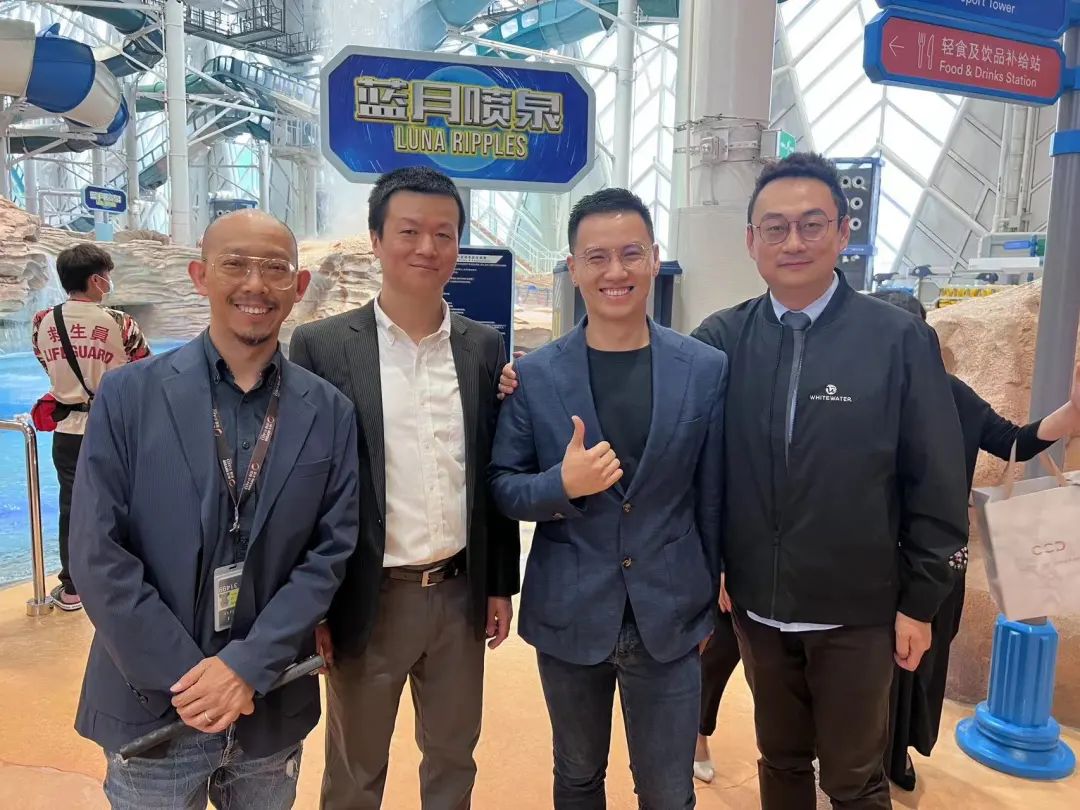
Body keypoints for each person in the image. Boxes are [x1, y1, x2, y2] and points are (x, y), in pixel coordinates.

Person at [499, 153, 968, 809]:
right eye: (775, 227)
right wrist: (555, 472)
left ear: (843, 231)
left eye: (811, 224)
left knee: (854, 779)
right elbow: (696, 471)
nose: (793, 241)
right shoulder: (723, 340)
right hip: (751, 609)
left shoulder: (891, 341)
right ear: (751, 241)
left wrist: (921, 598)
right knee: (775, 760)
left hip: (854, 605)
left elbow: (937, 479)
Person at [69, 210, 360, 809]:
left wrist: (246, 667)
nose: (255, 284)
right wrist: (194, 680)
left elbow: (329, 553)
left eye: (275, 269)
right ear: (201, 275)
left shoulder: (328, 411)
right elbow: (98, 552)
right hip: (153, 706)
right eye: (235, 264)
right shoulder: (130, 395)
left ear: (298, 289)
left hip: (269, 702)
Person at [288, 166, 520, 810]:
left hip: (458, 594)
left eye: (443, 234)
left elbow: (488, 472)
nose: (427, 248)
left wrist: (498, 581)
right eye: (410, 231)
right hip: (367, 596)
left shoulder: (481, 346)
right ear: (375, 239)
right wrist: (309, 609)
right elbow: (303, 490)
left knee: (453, 758)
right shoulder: (323, 347)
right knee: (355, 768)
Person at [489, 188, 728, 809]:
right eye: (596, 257)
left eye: (630, 254)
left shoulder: (703, 369)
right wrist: (561, 487)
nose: (614, 272)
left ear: (654, 258)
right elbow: (504, 486)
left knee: (668, 791)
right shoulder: (536, 375)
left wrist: (709, 593)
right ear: (573, 268)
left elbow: (712, 493)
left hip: (669, 616)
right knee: (576, 776)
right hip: (570, 612)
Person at [868, 289, 1080, 791]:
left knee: (921, 666)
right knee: (863, 669)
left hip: (936, 561)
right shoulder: (856, 396)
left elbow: (1013, 440)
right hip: (869, 562)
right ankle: (858, 757)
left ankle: (896, 752)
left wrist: (1069, 414)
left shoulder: (951, 394)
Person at [30, 243, 150, 610]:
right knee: (123, 504)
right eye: (107, 277)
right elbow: (143, 370)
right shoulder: (119, 323)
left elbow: (45, 362)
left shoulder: (43, 321)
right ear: (97, 280)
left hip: (67, 430)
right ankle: (124, 580)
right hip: (114, 428)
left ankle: (71, 589)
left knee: (72, 506)